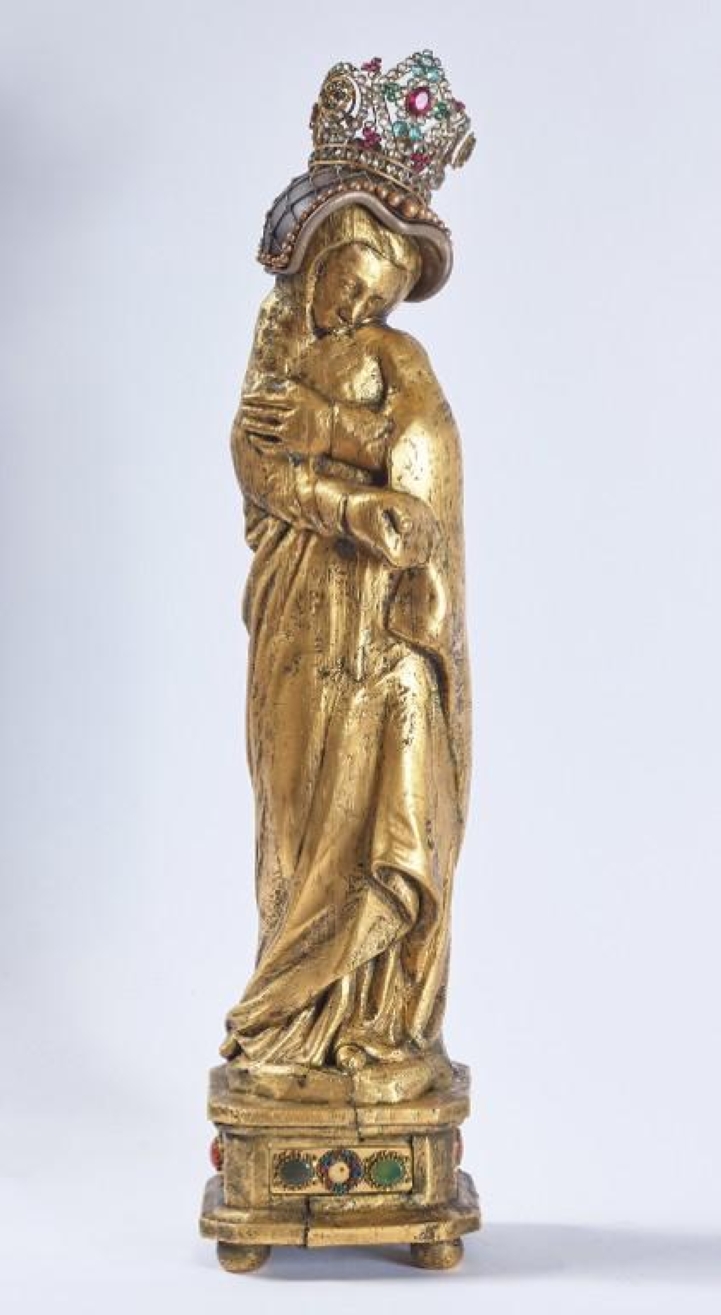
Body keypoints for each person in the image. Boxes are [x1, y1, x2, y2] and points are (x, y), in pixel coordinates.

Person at [220, 204, 471, 1089]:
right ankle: (289, 1018)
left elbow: (428, 457)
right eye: (351, 287)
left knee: (386, 806)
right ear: (323, 257)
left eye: (376, 301)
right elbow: (257, 465)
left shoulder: (397, 358)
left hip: (384, 622)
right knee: (296, 820)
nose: (357, 311)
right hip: (297, 616)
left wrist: (331, 435)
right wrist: (348, 503)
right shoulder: (276, 353)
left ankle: (376, 1020)